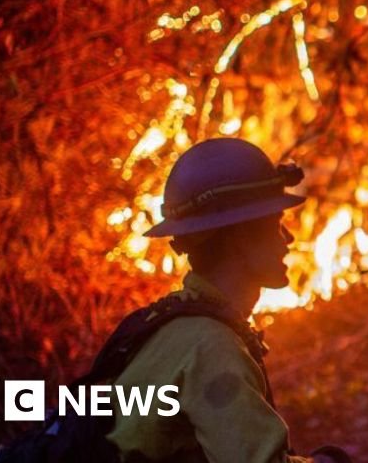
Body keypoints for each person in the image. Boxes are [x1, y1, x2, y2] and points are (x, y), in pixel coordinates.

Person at [108, 137, 351, 463]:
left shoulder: (168, 326)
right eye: (275, 224)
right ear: (240, 237)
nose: (288, 239)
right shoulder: (213, 347)